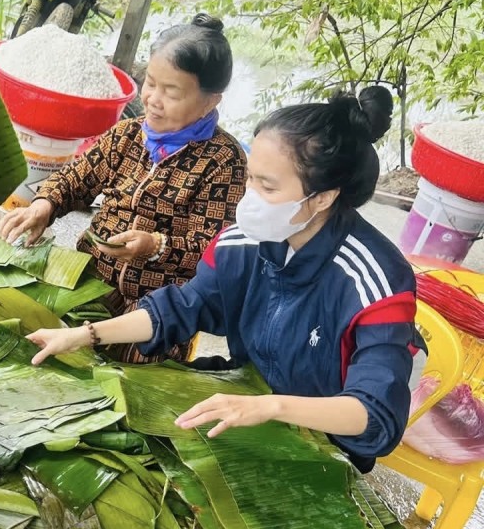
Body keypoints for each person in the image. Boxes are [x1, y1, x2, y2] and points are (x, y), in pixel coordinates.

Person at [25, 87, 419, 473]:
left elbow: (376, 416)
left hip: (321, 442)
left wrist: (270, 406)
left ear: (321, 198)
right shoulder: (244, 241)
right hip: (245, 394)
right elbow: (185, 306)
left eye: (267, 186)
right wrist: (85, 335)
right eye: (250, 178)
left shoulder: (374, 279)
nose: (249, 197)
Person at [0, 13, 247, 361]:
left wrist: (156, 247)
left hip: (154, 316)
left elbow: (214, 248)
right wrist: (45, 206)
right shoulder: (128, 134)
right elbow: (76, 178)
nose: (152, 99)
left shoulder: (224, 161)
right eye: (151, 83)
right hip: (88, 285)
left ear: (210, 101)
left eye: (171, 92)